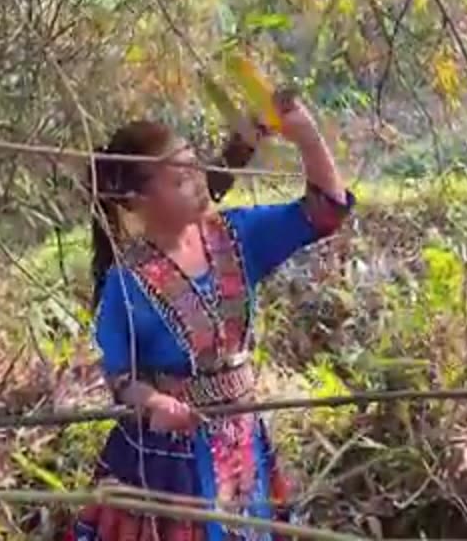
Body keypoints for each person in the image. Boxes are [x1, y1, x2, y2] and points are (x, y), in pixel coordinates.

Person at [68, 89, 354, 541]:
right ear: (135, 200)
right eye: (179, 178)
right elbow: (121, 378)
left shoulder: (236, 237)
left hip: (243, 442)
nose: (198, 180)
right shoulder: (128, 282)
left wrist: (306, 137)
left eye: (194, 166)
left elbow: (325, 211)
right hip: (167, 465)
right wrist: (154, 402)